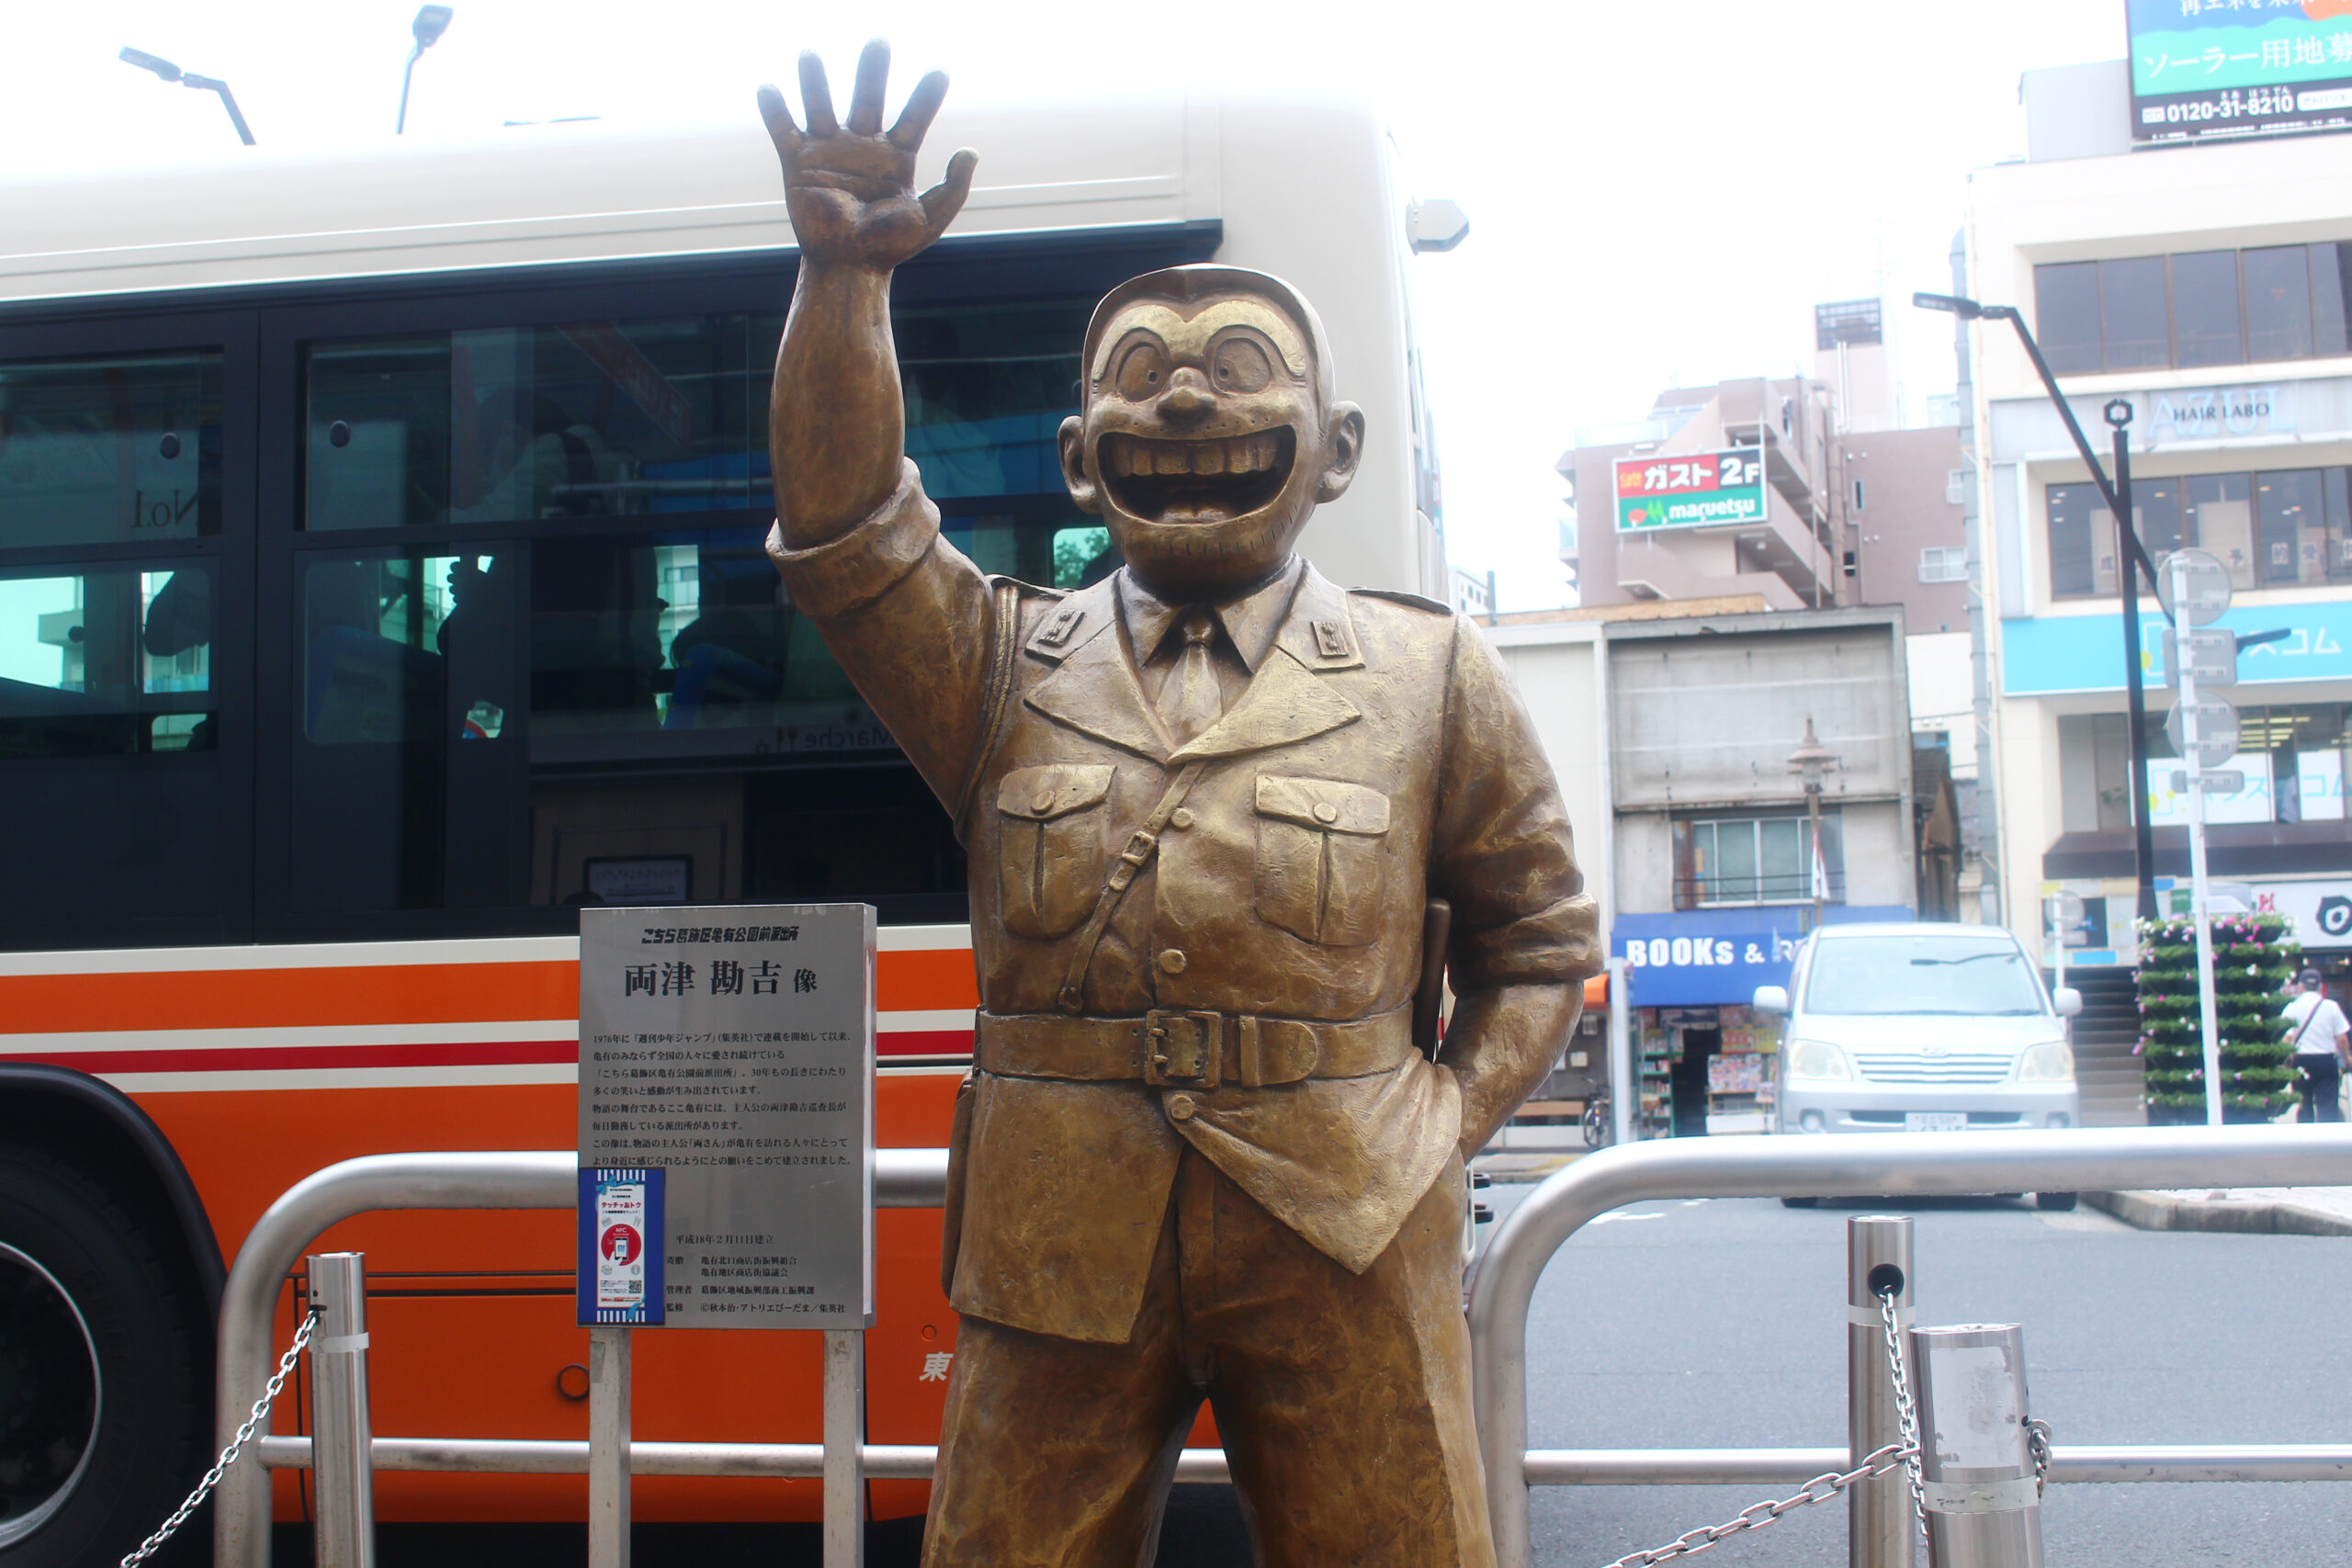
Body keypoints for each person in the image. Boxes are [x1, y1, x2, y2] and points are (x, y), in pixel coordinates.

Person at [754, 43, 1598, 1568]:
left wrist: (1438, 1123)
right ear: (1081, 458)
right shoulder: (999, 664)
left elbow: (1540, 944)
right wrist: (843, 282)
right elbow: (847, 526)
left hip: (1348, 1218)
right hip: (1058, 1234)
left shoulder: (1429, 673)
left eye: (1246, 370)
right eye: (1140, 374)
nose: (1194, 395)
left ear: (1334, 452)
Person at [2285, 967, 2350, 1124]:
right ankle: (2328, 1142)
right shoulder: (2331, 1006)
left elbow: (2287, 1038)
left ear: (2300, 986)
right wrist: (2347, 1058)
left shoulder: (2292, 1007)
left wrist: (2286, 1061)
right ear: (2320, 986)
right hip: (2326, 1061)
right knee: (2328, 1104)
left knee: (2304, 1103)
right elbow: (2342, 1038)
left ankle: (2306, 1142)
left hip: (2301, 1062)